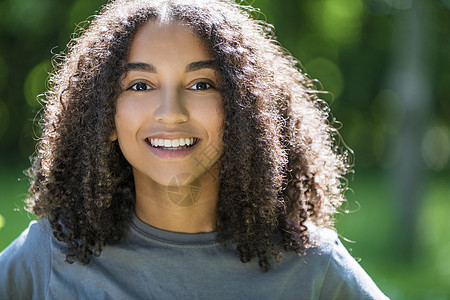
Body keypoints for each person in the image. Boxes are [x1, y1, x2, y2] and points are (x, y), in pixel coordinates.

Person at [0, 0, 389, 299]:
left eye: (202, 84)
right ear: (104, 117)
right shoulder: (50, 254)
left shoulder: (311, 265)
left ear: (242, 111)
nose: (171, 113)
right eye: (139, 85)